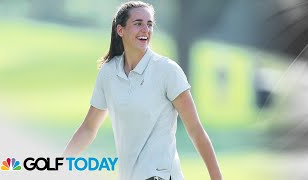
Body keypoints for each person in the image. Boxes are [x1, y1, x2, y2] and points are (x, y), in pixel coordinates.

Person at [63, 1, 222, 180]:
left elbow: (195, 130)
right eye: (138, 23)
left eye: (149, 24)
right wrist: (59, 165)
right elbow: (89, 128)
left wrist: (217, 177)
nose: (145, 29)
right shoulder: (108, 73)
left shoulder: (167, 71)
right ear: (120, 30)